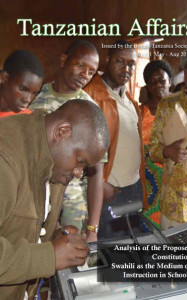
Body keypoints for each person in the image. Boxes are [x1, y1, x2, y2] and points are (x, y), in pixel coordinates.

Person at [0, 99, 109, 300]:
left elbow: (23, 218)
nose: (78, 173)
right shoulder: (5, 159)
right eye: (80, 162)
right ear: (62, 132)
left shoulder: (54, 159)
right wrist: (50, 256)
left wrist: (56, 235)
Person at [30, 40, 105, 242]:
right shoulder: (35, 97)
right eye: (80, 65)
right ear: (64, 60)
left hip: (74, 203)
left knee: (69, 259)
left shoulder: (91, 111)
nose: (84, 75)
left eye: (91, 72)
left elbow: (97, 173)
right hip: (36, 196)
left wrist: (93, 228)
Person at [84, 40, 147, 239]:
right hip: (108, 190)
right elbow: (80, 147)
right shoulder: (90, 94)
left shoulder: (129, 100)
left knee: (129, 247)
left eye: (131, 64)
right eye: (120, 61)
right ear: (107, 60)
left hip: (133, 188)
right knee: (108, 253)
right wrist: (99, 182)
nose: (126, 68)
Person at [149, 43, 187, 230]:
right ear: (183, 71)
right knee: (175, 259)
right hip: (173, 206)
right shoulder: (167, 104)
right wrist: (167, 151)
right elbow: (152, 150)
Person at [139, 60, 172, 228]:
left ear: (170, 82)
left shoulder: (181, 108)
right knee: (150, 227)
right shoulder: (140, 112)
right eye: (153, 82)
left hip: (175, 177)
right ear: (148, 86)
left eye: (162, 80)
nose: (158, 85)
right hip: (149, 180)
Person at [0, 50, 44, 117]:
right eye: (23, 89)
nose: (28, 100)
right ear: (4, 78)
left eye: (34, 93)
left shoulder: (27, 121)